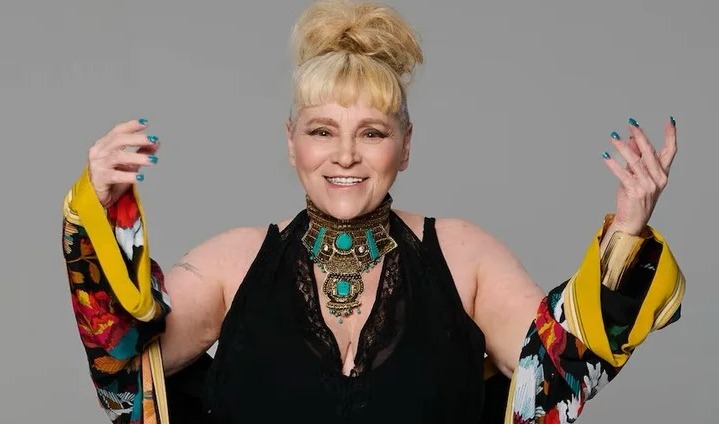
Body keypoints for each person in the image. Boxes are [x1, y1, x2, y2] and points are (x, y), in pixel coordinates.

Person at [61, 0, 684, 423]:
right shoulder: (232, 263)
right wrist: (101, 221)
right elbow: (125, 373)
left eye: (373, 132)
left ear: (405, 145)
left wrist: (627, 235)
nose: (346, 155)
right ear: (291, 142)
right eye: (322, 131)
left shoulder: (464, 256)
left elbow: (550, 377)